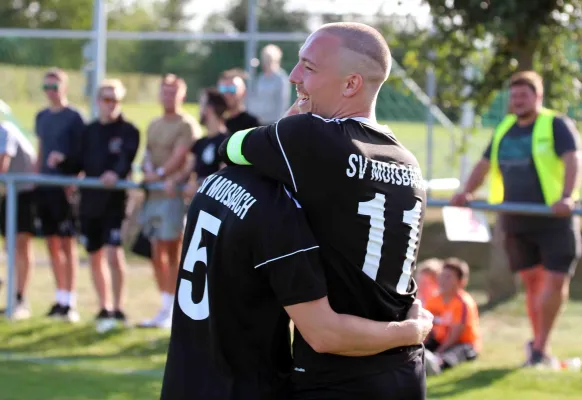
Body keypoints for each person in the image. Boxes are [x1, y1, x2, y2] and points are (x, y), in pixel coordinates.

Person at [221, 22, 427, 399]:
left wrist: (292, 117)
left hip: (340, 377)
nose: (295, 76)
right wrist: (410, 332)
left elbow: (232, 149)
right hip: (406, 373)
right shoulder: (406, 159)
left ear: (351, 85)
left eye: (309, 68)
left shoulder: (309, 138)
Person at [160, 166, 434, 400]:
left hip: (183, 382)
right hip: (241, 388)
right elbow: (324, 334)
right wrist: (411, 331)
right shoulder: (276, 209)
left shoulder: (217, 180)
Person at [451, 70, 581, 367]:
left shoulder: (555, 124)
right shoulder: (505, 128)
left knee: (556, 279)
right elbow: (484, 164)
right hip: (516, 220)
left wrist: (567, 196)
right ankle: (537, 348)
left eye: (524, 95)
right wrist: (466, 192)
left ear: (538, 96)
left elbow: (573, 158)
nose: (518, 101)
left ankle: (541, 345)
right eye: (514, 96)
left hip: (553, 219)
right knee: (532, 283)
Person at [49, 79, 139, 328]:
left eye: (115, 100)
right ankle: (104, 307)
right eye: (105, 99)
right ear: (98, 101)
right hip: (90, 202)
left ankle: (119, 308)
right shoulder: (89, 132)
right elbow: (77, 163)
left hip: (115, 202)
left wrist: (115, 174)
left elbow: (126, 159)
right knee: (94, 254)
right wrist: (61, 161)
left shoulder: (128, 130)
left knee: (113, 252)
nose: (110, 105)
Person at [139, 74, 201, 329]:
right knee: (155, 251)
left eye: (173, 91)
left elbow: (181, 156)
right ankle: (165, 306)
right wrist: (148, 171)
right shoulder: (153, 123)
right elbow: (147, 154)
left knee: (173, 251)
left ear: (182, 94)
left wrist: (162, 174)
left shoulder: (187, 124)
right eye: (164, 90)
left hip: (171, 197)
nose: (168, 95)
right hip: (153, 196)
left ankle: (177, 308)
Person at [35, 67, 85, 322]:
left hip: (65, 189)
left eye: (54, 87)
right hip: (45, 187)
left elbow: (80, 154)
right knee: (52, 243)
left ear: (64, 88)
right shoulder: (41, 116)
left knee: (67, 243)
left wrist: (73, 180)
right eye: (46, 87)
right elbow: (41, 149)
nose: (50, 92)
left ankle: (71, 300)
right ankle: (60, 297)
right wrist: (34, 179)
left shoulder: (74, 116)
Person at [0, 120, 37, 320]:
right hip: (7, 194)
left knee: (20, 245)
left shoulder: (4, 130)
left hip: (23, 194)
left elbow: (1, 166)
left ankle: (20, 298)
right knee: (9, 246)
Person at [167, 88, 229, 200]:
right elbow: (187, 170)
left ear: (209, 109)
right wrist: (173, 180)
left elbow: (225, 174)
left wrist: (200, 184)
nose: (199, 110)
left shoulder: (227, 142)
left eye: (201, 105)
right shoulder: (200, 143)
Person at [424, 258, 481, 375]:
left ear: (461, 281)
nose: (443, 280)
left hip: (461, 344)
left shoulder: (463, 303)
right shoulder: (433, 300)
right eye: (442, 276)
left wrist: (439, 352)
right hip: (439, 340)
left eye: (449, 277)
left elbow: (455, 335)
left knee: (454, 353)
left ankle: (436, 364)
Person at [249, 44, 291, 125]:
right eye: (264, 59)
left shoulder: (281, 78)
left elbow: (282, 103)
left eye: (268, 59)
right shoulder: (261, 78)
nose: (266, 62)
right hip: (259, 120)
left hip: (274, 122)